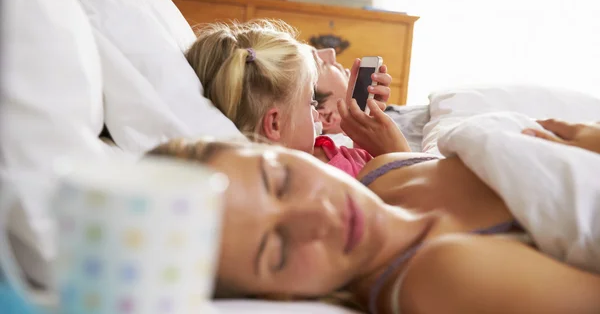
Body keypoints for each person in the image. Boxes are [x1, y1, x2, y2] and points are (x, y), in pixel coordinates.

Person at [147, 118, 600, 314]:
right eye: (277, 248)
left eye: (281, 180)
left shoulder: (383, 171)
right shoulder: (443, 275)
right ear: (279, 299)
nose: (319, 215)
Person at [185, 20, 407, 177]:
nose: (315, 112)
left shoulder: (316, 151)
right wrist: (395, 149)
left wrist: (363, 136)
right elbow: (415, 200)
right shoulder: (322, 183)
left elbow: (366, 165)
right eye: (311, 101)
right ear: (274, 124)